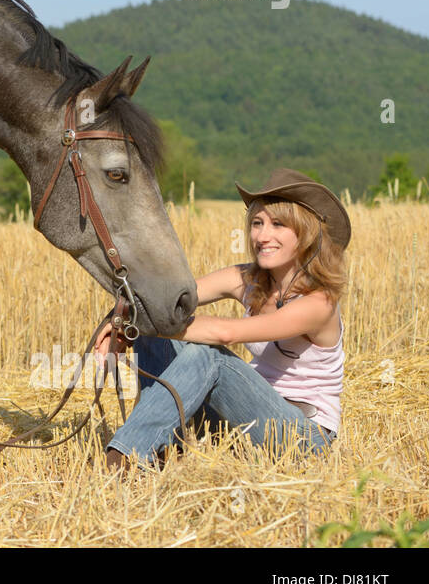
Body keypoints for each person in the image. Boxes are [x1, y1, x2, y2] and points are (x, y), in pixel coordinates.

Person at [98, 168, 350, 472]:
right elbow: (167, 302)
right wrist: (119, 321)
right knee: (157, 326)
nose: (262, 236)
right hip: (241, 420)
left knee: (208, 355)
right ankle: (161, 446)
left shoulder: (319, 303)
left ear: (306, 233)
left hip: (300, 438)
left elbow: (225, 332)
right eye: (257, 223)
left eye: (278, 225)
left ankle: (126, 459)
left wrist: (140, 323)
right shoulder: (248, 279)